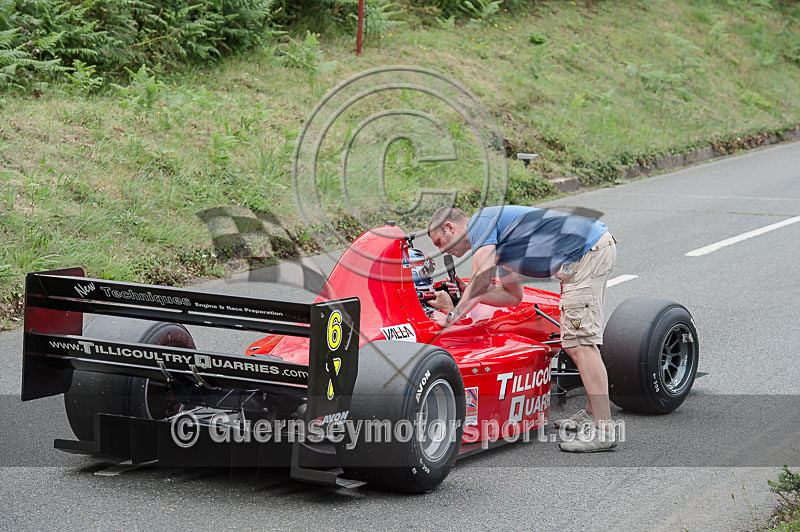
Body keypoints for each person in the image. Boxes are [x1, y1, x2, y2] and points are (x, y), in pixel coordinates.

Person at [426, 205, 617, 452]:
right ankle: (592, 414)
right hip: (584, 254)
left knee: (581, 345)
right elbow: (511, 296)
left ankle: (604, 430)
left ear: (450, 227)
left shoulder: (481, 223)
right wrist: (468, 293)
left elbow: (481, 278)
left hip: (585, 253)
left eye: (440, 241)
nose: (442, 250)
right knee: (576, 343)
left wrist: (451, 316)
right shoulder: (502, 243)